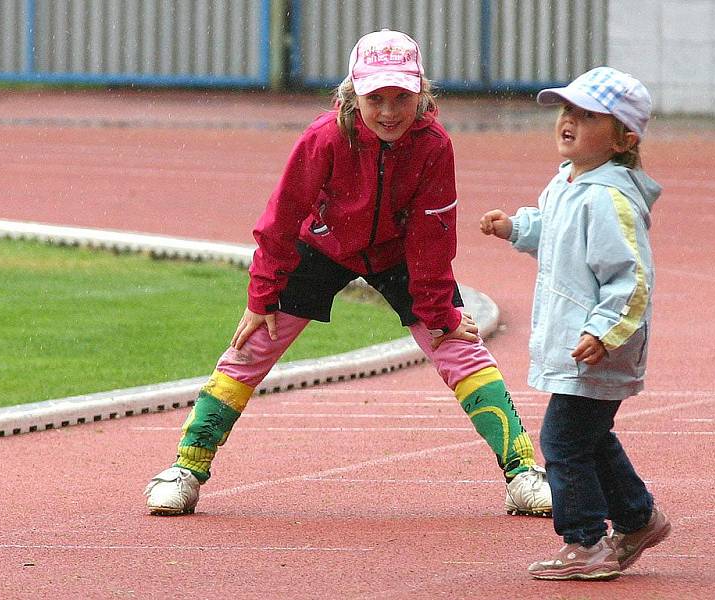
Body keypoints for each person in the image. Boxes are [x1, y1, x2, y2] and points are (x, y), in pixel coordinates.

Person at [144, 29, 551, 518]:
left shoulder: (434, 144)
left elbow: (433, 235)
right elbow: (281, 217)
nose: (388, 111)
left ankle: (523, 473)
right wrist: (261, 296)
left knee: (459, 347)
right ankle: (185, 469)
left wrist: (439, 312)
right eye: (375, 97)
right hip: (321, 247)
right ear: (352, 92)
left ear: (421, 92)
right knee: (251, 345)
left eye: (401, 97)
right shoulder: (325, 137)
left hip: (399, 254)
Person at [480, 66, 671, 580]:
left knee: (562, 441)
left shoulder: (609, 199)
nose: (569, 121)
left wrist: (602, 332)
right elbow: (555, 231)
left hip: (601, 345)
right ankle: (636, 518)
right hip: (578, 340)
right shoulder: (568, 182)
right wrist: (518, 227)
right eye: (568, 110)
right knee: (588, 437)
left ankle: (586, 541)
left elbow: (629, 279)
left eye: (588, 116)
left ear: (622, 140)